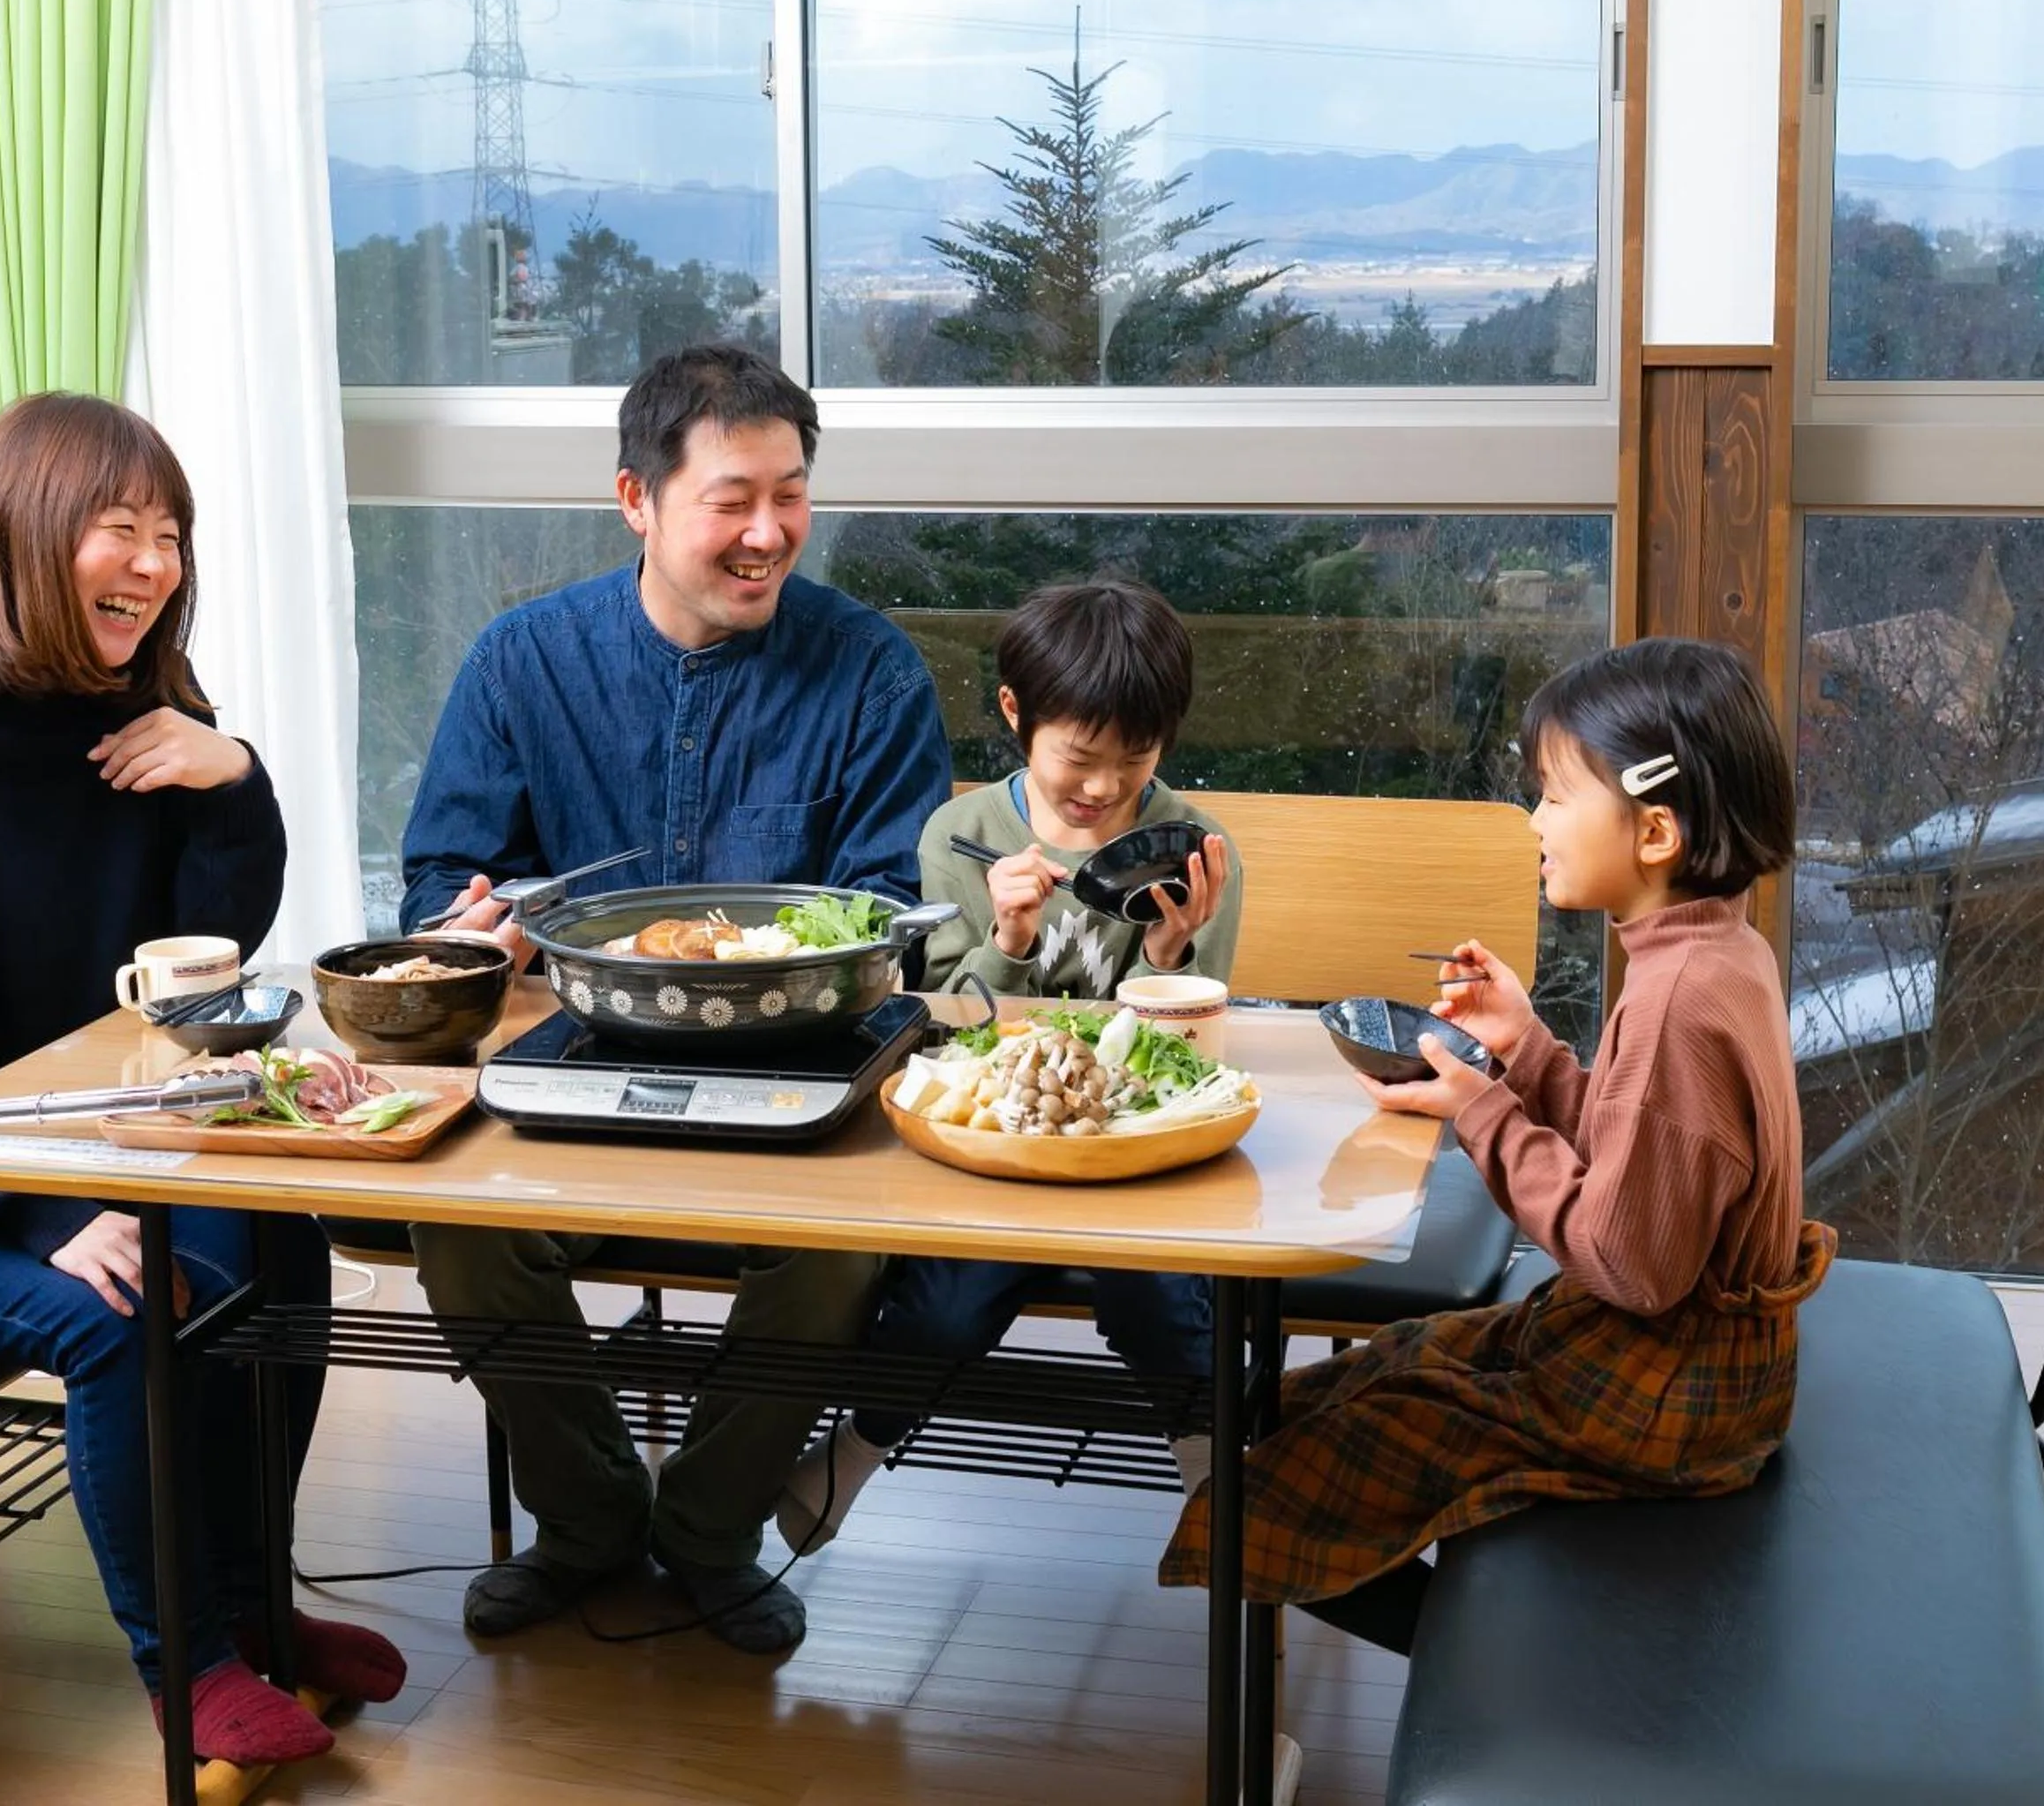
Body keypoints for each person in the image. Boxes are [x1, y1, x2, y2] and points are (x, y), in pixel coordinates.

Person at [0, 394, 402, 1767]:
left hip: (81, 1139)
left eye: (171, 535)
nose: (156, 565)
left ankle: (256, 1606)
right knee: (121, 1307)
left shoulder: (129, 717)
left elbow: (203, 975)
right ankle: (193, 1663)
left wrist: (233, 780)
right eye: (122, 530)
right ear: (26, 537)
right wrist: (52, 1213)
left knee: (278, 1248)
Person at [399, 343, 952, 1653]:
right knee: (455, 1228)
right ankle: (590, 1521)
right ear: (637, 502)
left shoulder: (869, 672)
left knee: (837, 1249)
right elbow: (441, 877)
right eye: (731, 500)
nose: (770, 533)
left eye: (793, 494)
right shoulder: (523, 661)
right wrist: (479, 925)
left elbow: (890, 911)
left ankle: (709, 1531)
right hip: (571, 1064)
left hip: (794, 1072)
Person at [1155, 636, 1834, 1657]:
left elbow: (1631, 1261)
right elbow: (1643, 1156)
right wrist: (1527, 1053)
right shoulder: (1717, 949)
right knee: (1372, 1370)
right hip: (1693, 1363)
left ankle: (1503, 1683)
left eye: (1557, 795)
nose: (1535, 821)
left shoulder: (1679, 1003)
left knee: (1278, 1485)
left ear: (1653, 830)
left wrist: (1484, 1112)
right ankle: (1491, 1661)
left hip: (1664, 1390)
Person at [774, 578, 1244, 1553]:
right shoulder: (962, 837)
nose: (1106, 787)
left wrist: (1168, 960)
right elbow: (941, 1031)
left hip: (1129, 1149)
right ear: (1014, 716)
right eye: (1080, 757)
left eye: (1137, 760)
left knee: (1155, 1292)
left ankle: (1220, 1501)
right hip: (992, 1141)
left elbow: (1193, 1052)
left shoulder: (1192, 850)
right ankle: (851, 1458)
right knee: (948, 1300)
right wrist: (1011, 939)